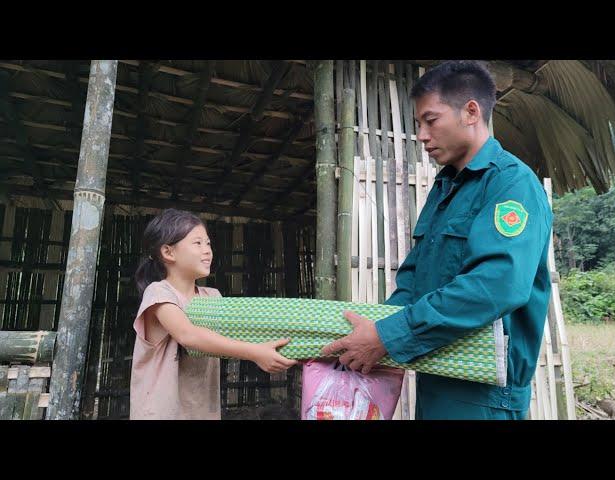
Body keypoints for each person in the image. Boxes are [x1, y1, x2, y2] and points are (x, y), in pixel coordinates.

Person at [321, 60, 553, 420]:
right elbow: (414, 279)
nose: (422, 136)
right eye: (418, 125)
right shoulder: (446, 187)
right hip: (436, 373)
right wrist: (376, 334)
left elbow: (496, 285)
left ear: (471, 112)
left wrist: (389, 335)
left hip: (482, 396)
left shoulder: (511, 185)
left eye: (431, 120)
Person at [129, 208, 297, 419]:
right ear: (168, 252)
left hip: (201, 412)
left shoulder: (211, 297)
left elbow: (241, 333)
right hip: (160, 413)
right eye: (197, 243)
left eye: (208, 243)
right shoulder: (159, 293)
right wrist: (255, 353)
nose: (207, 250)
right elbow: (188, 335)